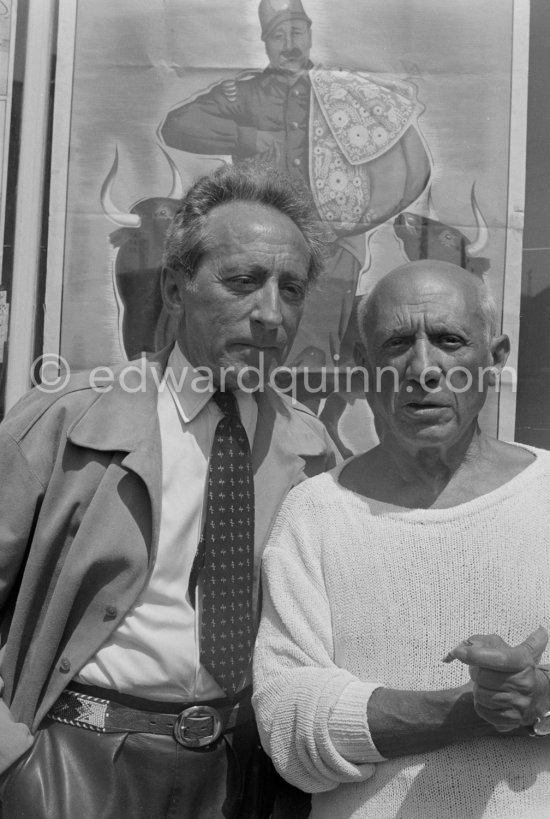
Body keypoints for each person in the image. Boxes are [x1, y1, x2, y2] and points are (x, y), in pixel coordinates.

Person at [0, 161, 339, 818]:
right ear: (175, 289)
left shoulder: (311, 450)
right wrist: (15, 766)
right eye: (243, 281)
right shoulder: (67, 420)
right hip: (72, 766)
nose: (271, 313)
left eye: (292, 289)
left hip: (241, 778)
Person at [253, 259, 550, 818]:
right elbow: (287, 722)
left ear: (495, 359)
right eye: (396, 344)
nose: (423, 369)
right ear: (363, 366)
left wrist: (541, 694)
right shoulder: (315, 513)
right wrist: (472, 711)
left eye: (449, 341)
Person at [160, 0, 431, 454]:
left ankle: (297, 450)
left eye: (297, 31)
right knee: (240, 351)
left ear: (309, 33)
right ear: (265, 41)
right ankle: (230, 444)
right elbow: (176, 127)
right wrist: (246, 130)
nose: (289, 43)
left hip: (332, 253)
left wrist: (356, 220)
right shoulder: (246, 94)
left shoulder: (346, 93)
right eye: (278, 34)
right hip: (253, 251)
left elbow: (414, 164)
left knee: (312, 356)